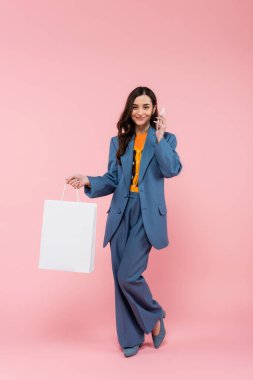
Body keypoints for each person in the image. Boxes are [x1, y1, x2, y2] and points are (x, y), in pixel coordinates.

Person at [65, 86, 183, 357]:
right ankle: (129, 337)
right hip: (120, 212)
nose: (140, 112)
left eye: (145, 106)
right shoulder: (118, 140)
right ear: (129, 110)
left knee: (128, 275)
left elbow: (172, 169)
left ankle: (154, 316)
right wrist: (88, 181)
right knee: (119, 278)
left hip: (147, 214)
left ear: (154, 109)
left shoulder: (166, 139)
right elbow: (114, 179)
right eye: (135, 107)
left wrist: (160, 139)